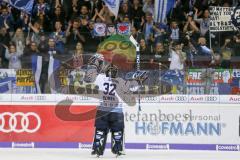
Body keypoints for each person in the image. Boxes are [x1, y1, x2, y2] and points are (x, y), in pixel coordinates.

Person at [85, 54, 138, 157]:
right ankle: (118, 150)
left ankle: (97, 150)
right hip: (116, 112)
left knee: (100, 131)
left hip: (102, 110)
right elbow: (134, 88)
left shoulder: (100, 78)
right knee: (117, 132)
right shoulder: (121, 81)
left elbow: (88, 79)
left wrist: (94, 65)